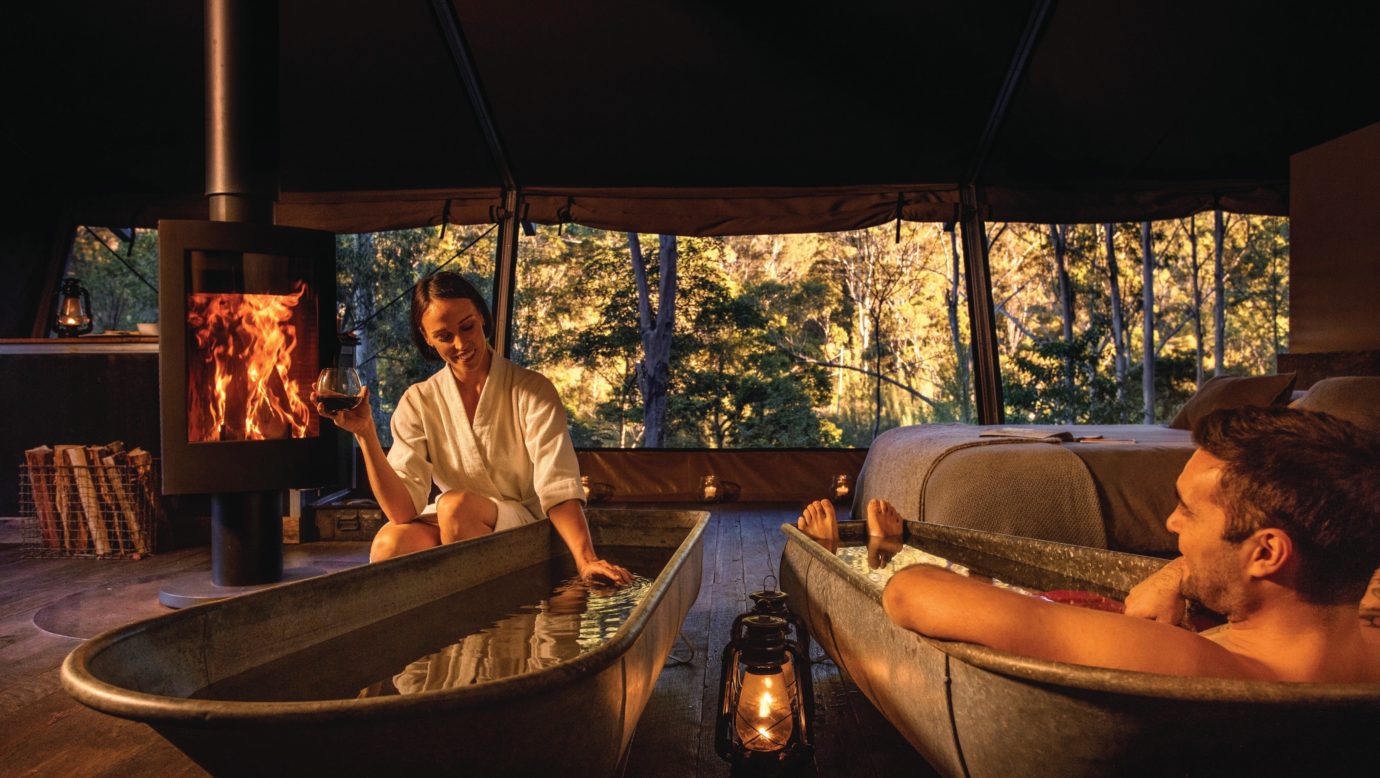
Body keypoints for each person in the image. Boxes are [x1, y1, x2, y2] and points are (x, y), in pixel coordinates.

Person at [802, 406, 1380, 682]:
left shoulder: (1201, 663)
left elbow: (911, 594)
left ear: (1266, 553)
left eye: (1186, 510)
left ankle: (873, 546)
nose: (1170, 525)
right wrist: (1176, 575)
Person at [318, 271, 631, 584]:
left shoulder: (532, 390)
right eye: (444, 336)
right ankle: (429, 624)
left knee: (455, 507)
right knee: (390, 544)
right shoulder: (419, 401)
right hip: (452, 518)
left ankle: (470, 616)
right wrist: (366, 434)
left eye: (467, 326)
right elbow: (402, 511)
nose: (461, 343)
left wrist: (586, 560)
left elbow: (558, 482)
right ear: (427, 337)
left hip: (521, 519)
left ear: (482, 316)